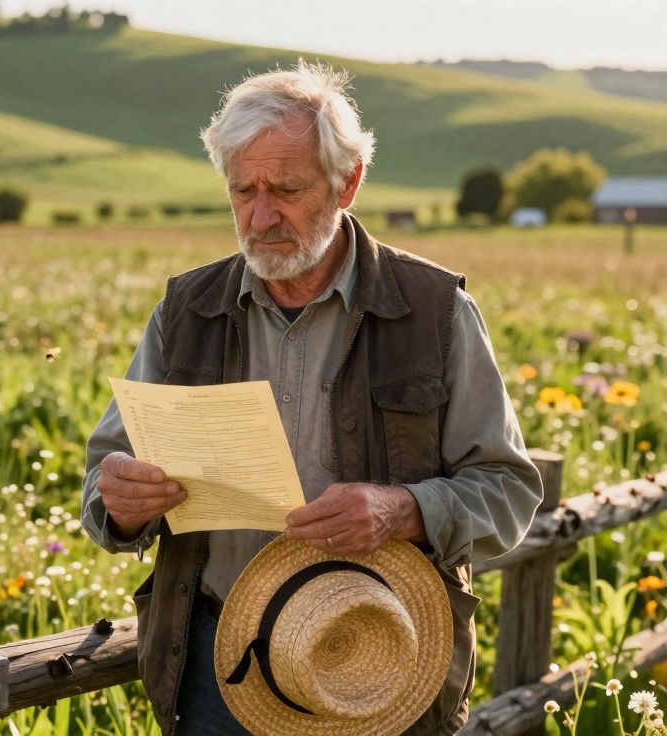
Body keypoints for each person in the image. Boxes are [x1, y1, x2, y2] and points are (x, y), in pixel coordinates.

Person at [80, 62, 543, 735]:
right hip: (215, 671)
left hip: (385, 663)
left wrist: (403, 511)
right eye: (243, 190)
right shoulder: (184, 313)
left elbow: (508, 490)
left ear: (347, 182)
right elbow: (104, 479)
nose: (261, 215)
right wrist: (120, 503)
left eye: (287, 189)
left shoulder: (434, 312)